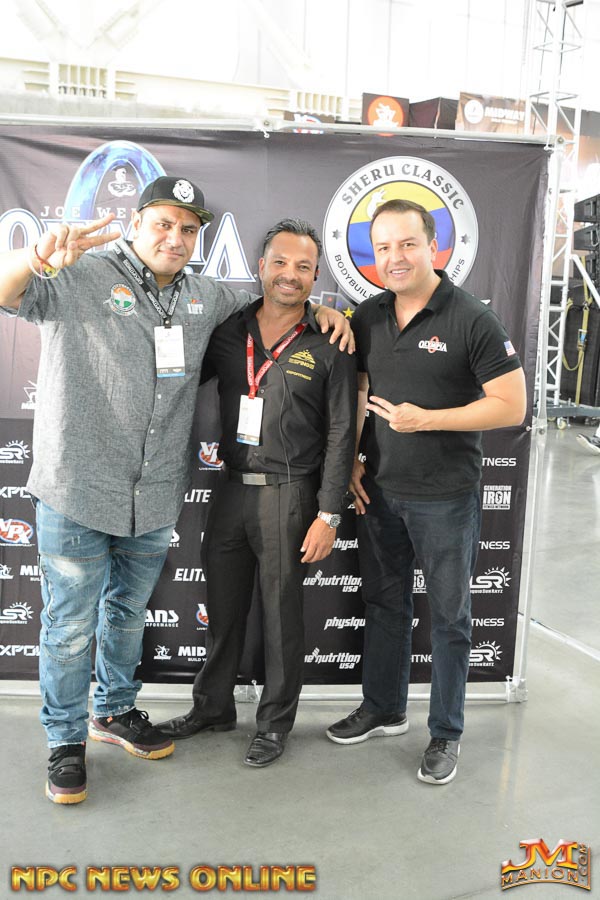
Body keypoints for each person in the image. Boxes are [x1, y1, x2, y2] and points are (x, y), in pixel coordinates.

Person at [0, 177, 351, 804]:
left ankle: (113, 711)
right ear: (136, 223)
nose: (175, 238)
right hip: (77, 486)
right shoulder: (81, 272)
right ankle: (65, 741)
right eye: (163, 223)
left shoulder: (207, 298)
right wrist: (33, 258)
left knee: (126, 615)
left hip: (156, 493)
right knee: (70, 627)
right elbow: (8, 295)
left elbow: (279, 300)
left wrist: (324, 311)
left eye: (188, 229)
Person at [326, 199, 527, 785]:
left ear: (433, 247)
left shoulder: (472, 317)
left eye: (407, 244)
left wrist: (427, 420)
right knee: (385, 604)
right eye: (383, 247)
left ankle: (445, 733)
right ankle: (384, 709)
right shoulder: (368, 315)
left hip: (445, 497)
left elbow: (512, 406)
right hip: (380, 491)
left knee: (450, 618)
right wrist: (353, 460)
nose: (395, 257)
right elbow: (361, 390)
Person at [157, 219, 357, 767]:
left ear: (316, 276)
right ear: (261, 266)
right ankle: (212, 708)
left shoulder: (332, 340)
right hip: (229, 490)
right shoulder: (228, 330)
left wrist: (329, 514)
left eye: (303, 267)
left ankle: (273, 723)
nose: (290, 275)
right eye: (280, 262)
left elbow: (343, 432)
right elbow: (172, 376)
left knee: (280, 616)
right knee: (222, 611)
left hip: (290, 496)